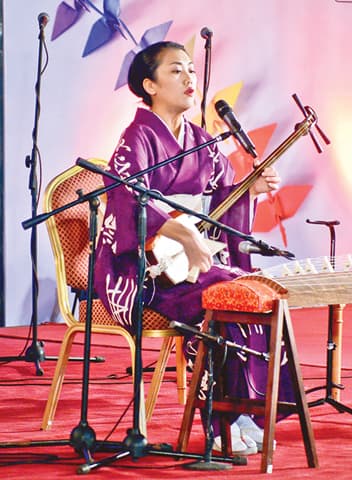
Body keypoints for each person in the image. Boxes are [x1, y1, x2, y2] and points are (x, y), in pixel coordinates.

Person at [94, 40, 289, 455]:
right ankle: (220, 421)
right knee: (221, 301)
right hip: (142, 271)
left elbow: (221, 202)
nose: (188, 78)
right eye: (175, 71)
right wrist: (186, 237)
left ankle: (249, 411)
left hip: (190, 263)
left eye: (191, 70)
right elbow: (133, 208)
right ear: (149, 85)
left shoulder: (201, 140)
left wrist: (249, 190)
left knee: (256, 293)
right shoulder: (135, 140)